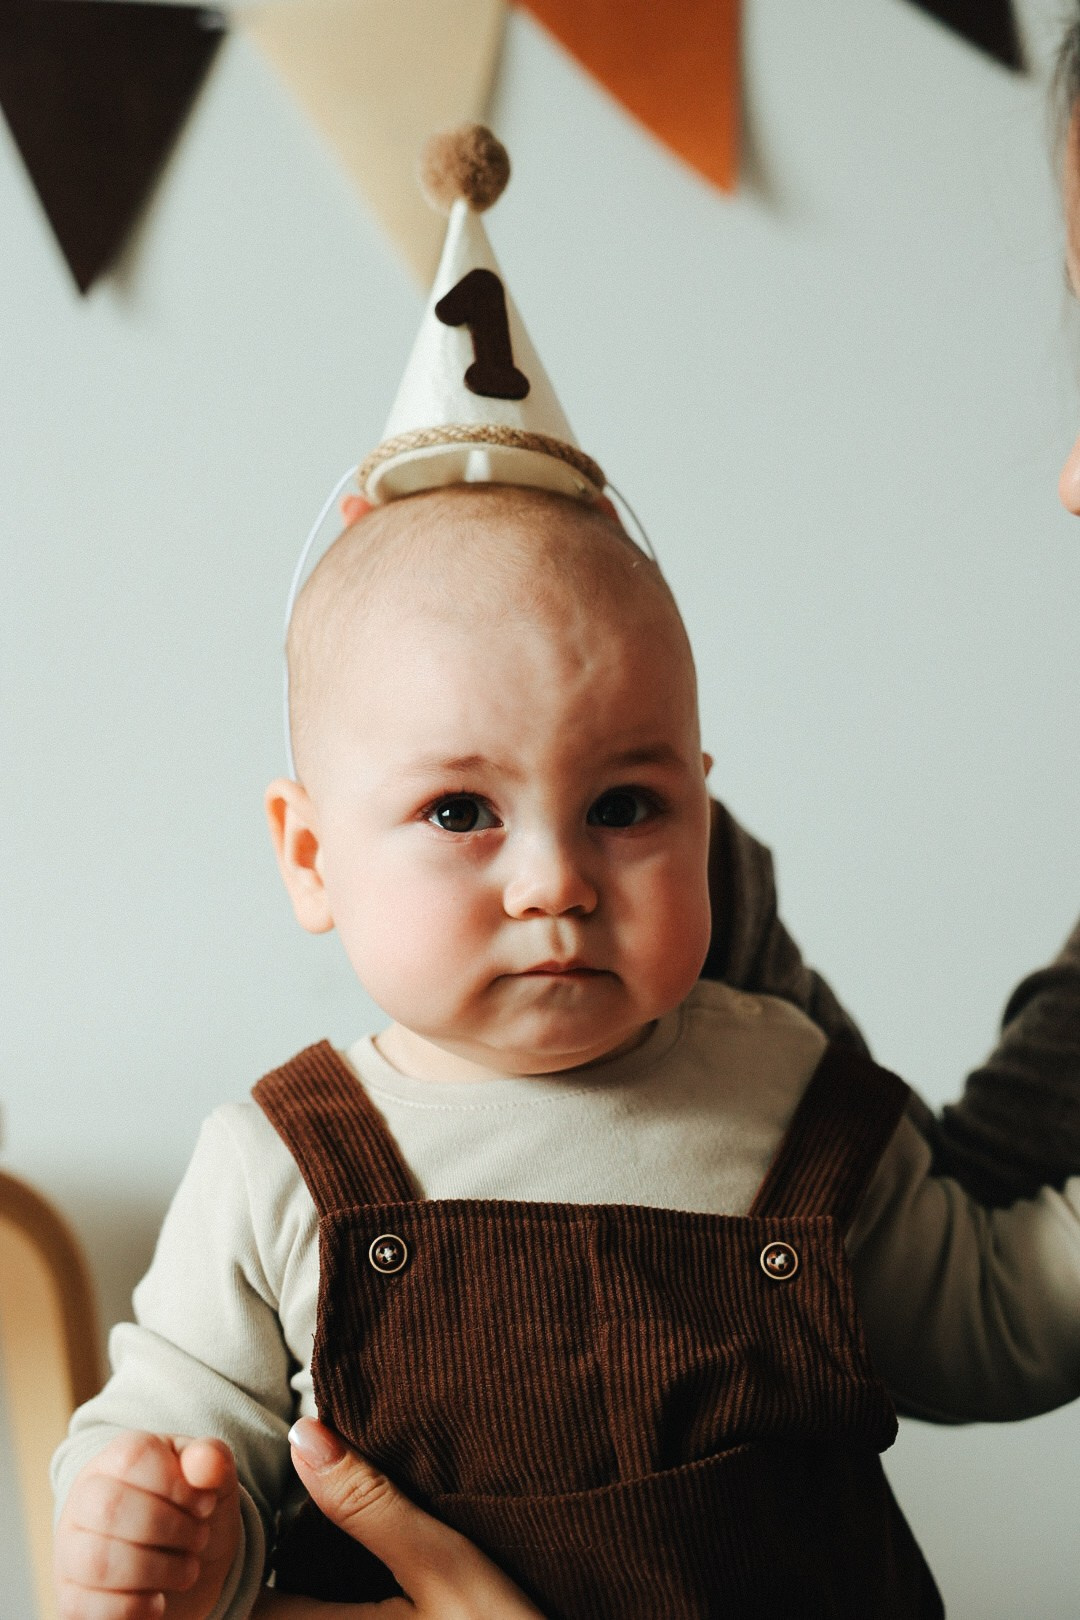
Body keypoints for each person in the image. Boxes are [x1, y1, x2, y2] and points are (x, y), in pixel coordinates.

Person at [51, 115, 1080, 1620]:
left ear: (706, 811)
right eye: (462, 813)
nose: (555, 880)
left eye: (625, 806)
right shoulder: (280, 1165)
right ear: (310, 854)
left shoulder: (790, 1089)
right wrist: (162, 1525)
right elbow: (185, 1411)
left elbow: (992, 1317)